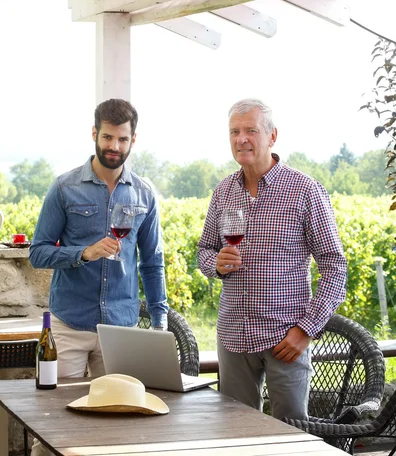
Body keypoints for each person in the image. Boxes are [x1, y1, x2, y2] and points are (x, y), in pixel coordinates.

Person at [198, 98, 347, 420]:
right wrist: (216, 264)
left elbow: (335, 266)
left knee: (290, 436)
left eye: (251, 130)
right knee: (236, 433)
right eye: (234, 132)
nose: (241, 139)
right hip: (233, 336)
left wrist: (305, 330)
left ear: (272, 136)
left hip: (286, 338)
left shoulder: (304, 190)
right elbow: (204, 252)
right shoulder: (223, 191)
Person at [30, 98, 168, 381]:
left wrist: (159, 318)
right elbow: (38, 253)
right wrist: (83, 253)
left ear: (133, 140)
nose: (114, 147)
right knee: (57, 413)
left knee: (118, 416)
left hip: (121, 327)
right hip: (70, 325)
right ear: (94, 134)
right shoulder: (64, 188)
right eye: (107, 137)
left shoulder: (143, 194)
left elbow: (152, 262)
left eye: (122, 139)